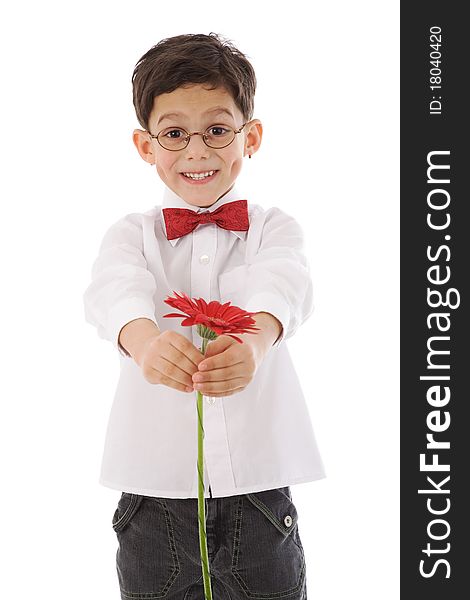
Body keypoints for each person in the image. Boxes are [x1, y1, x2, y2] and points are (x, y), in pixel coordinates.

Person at [83, 32, 325, 600]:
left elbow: (285, 283)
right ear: (146, 145)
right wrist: (143, 342)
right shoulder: (130, 234)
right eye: (174, 134)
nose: (197, 151)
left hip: (258, 495)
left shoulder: (273, 227)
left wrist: (256, 341)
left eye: (217, 130)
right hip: (153, 493)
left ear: (251, 136)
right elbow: (113, 291)